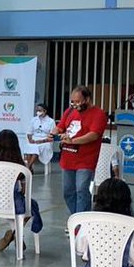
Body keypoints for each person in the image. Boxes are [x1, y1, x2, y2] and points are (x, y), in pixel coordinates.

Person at [0, 130, 43, 252]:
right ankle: (15, 232)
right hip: (16, 203)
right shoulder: (21, 166)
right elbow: (24, 192)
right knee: (31, 206)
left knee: (25, 206)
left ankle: (13, 232)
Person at [53, 85, 108, 215]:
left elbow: (93, 135)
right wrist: (54, 132)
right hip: (67, 158)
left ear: (87, 99)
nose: (75, 104)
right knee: (68, 191)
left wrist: (72, 141)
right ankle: (76, 217)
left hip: (86, 159)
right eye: (73, 101)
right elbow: (60, 127)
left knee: (82, 189)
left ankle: (81, 222)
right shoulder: (70, 111)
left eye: (78, 101)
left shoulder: (98, 114)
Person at [23, 103, 56, 171]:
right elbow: (29, 132)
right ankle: (29, 168)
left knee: (36, 148)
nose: (38, 112)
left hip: (45, 141)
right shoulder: (34, 120)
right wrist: (30, 139)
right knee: (29, 146)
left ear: (45, 111)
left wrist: (41, 141)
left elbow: (51, 137)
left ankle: (28, 168)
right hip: (34, 139)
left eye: (40, 110)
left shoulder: (51, 121)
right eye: (37, 110)